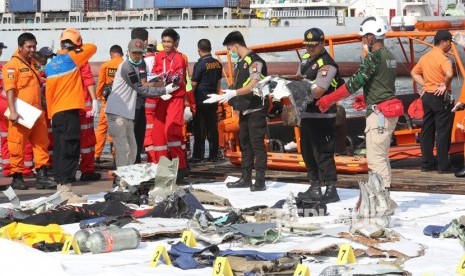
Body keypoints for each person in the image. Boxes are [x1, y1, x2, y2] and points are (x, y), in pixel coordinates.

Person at [317, 17, 398, 189]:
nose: (362, 41)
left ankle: (381, 196)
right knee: (382, 156)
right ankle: (384, 193)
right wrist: (367, 98)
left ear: (371, 37)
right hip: (387, 110)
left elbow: (353, 84)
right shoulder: (390, 56)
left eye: (363, 37)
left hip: (379, 114)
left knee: (375, 158)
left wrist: (328, 99)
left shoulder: (373, 58)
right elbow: (382, 83)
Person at [208, 31, 268, 192]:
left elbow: (254, 84)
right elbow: (238, 84)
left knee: (257, 145)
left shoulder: (255, 61)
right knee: (245, 144)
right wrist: (224, 96)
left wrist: (233, 93)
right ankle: (246, 177)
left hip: (256, 108)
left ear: (235, 45)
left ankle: (260, 180)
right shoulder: (242, 62)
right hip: (244, 109)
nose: (231, 53)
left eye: (230, 49)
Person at [105, 39, 177, 168]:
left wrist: (161, 81)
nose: (137, 55)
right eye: (134, 53)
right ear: (128, 52)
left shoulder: (141, 63)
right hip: (116, 113)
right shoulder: (126, 67)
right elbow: (141, 88)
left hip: (128, 113)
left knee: (133, 150)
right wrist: (164, 90)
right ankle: (121, 182)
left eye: (139, 52)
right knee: (123, 149)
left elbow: (144, 82)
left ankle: (128, 179)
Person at [45, 28, 97, 203]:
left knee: (60, 149)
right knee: (70, 150)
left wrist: (51, 113)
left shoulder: (51, 65)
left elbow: (49, 93)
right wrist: (78, 46)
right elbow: (92, 47)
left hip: (57, 113)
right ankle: (66, 190)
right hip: (70, 112)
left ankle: (61, 187)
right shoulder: (72, 58)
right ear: (75, 44)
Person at [2, 33, 56, 190]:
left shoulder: (33, 63)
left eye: (34, 46)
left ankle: (42, 175)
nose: (32, 49)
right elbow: (10, 89)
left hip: (37, 112)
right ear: (20, 47)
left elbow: (43, 61)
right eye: (29, 47)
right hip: (21, 111)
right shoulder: (12, 66)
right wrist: (12, 111)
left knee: (41, 144)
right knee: (17, 144)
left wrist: (36, 54)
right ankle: (17, 177)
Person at [296, 28, 345, 203]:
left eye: (314, 45)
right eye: (308, 45)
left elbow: (318, 91)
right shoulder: (305, 59)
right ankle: (315, 185)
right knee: (307, 152)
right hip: (307, 114)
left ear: (322, 44)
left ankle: (331, 188)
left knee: (323, 153)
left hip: (323, 116)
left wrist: (298, 88)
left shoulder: (327, 64)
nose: (310, 48)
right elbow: (298, 78)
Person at [411, 30, 457, 174]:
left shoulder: (425, 57)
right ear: (443, 42)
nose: (450, 45)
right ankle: (443, 166)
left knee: (427, 130)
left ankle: (427, 163)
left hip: (428, 97)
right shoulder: (443, 58)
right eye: (450, 42)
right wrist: (444, 84)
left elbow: (414, 72)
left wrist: (425, 85)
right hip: (440, 97)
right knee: (443, 131)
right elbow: (449, 73)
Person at [152, 27, 190, 183]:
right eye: (164, 41)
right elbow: (155, 74)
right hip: (162, 96)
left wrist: (165, 87)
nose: (166, 44)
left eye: (169, 41)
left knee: (171, 132)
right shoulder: (158, 57)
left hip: (175, 98)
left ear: (175, 43)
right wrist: (159, 88)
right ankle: (164, 166)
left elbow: (177, 80)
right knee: (158, 133)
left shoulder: (179, 59)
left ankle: (180, 166)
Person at [190, 38, 223, 163]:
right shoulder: (217, 63)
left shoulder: (200, 64)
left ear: (199, 50)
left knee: (199, 129)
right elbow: (219, 82)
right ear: (210, 49)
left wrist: (189, 99)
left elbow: (193, 83)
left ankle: (198, 155)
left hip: (201, 100)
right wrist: (217, 96)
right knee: (212, 128)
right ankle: (214, 155)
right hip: (213, 99)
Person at [94, 45, 124, 164]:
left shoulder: (105, 66)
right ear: (121, 54)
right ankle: (115, 155)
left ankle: (96, 155)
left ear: (111, 54)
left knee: (101, 128)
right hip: (121, 102)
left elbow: (100, 83)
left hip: (107, 101)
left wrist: (99, 97)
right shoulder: (125, 65)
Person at [78, 61, 101, 181]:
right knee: (87, 141)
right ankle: (87, 170)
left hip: (66, 108)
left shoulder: (59, 62)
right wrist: (94, 99)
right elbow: (88, 79)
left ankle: (68, 172)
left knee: (68, 141)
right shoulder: (82, 62)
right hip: (84, 108)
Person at [130, 27, 149, 164]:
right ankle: (133, 167)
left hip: (131, 105)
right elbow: (142, 85)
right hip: (136, 105)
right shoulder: (139, 61)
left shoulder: (129, 59)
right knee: (135, 138)